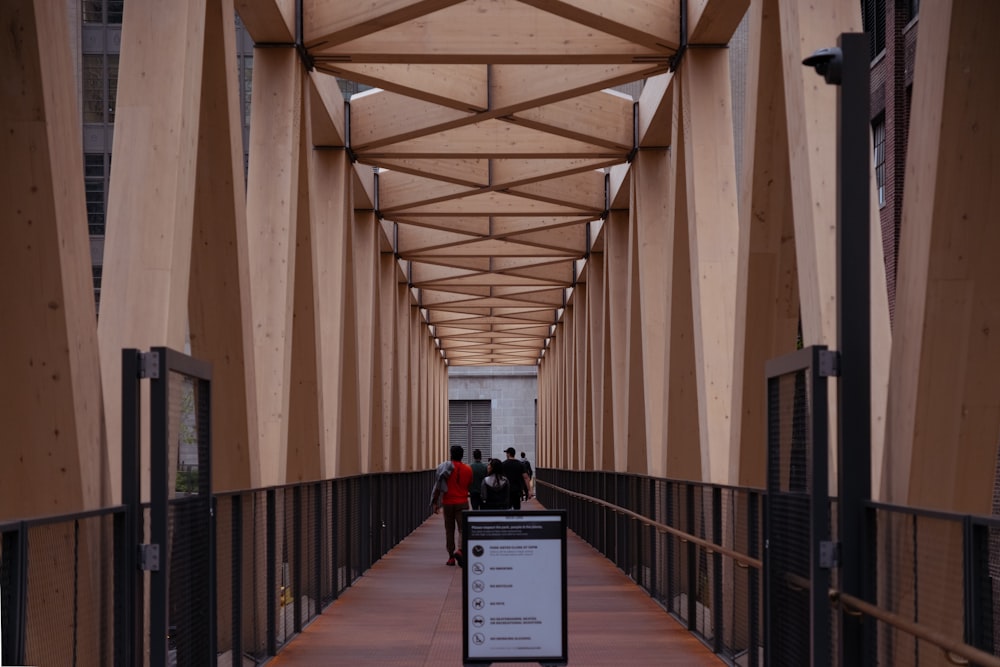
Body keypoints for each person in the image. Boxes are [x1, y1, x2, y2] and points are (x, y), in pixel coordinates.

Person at [435, 445, 471, 566]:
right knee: (462, 529)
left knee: (449, 530)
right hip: (462, 502)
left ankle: (451, 557)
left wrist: (435, 502)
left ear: (451, 454)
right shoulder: (468, 469)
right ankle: (460, 550)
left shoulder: (444, 468)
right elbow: (469, 485)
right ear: (462, 455)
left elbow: (438, 486)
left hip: (448, 502)